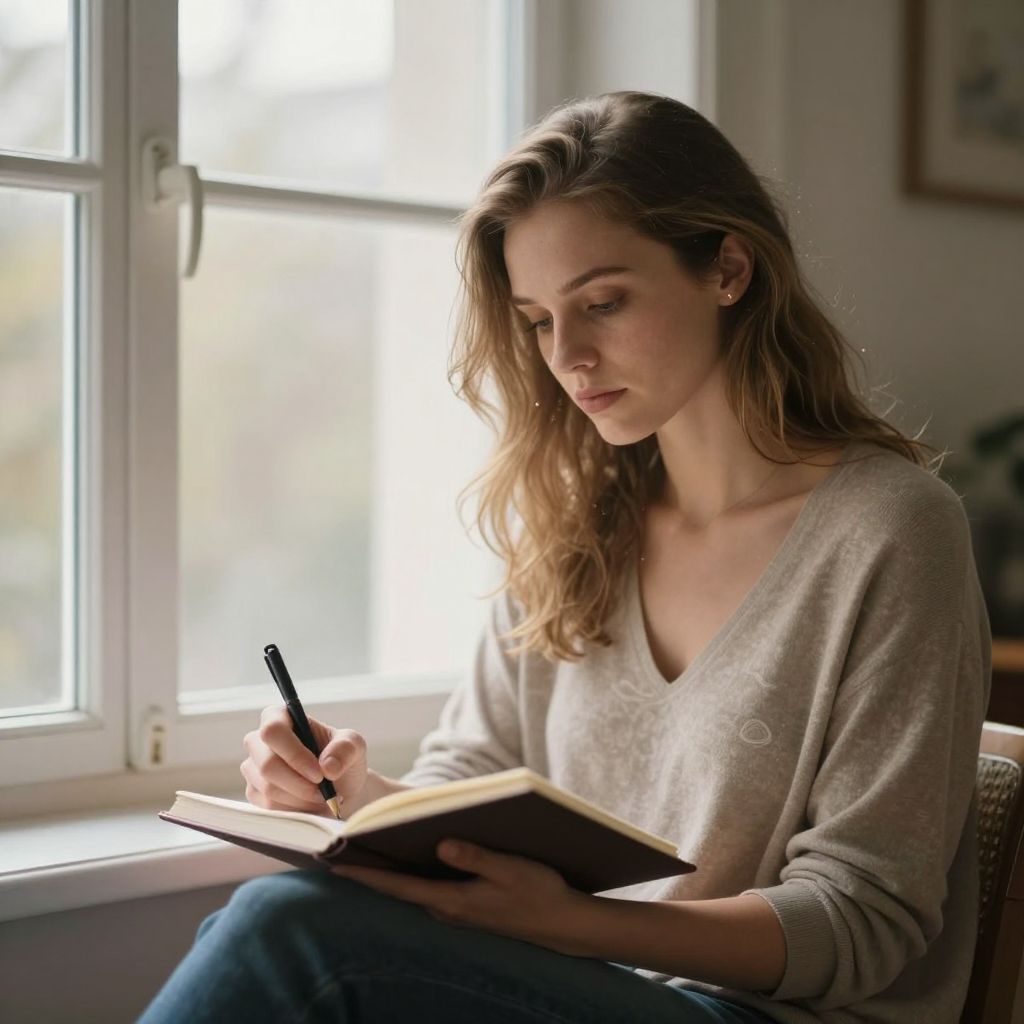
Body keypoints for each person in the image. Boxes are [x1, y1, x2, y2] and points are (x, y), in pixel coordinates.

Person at [138, 91, 991, 1024]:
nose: (570, 356)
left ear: (731, 269)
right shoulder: (581, 518)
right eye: (540, 319)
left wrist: (575, 925)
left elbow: (866, 919)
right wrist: (349, 794)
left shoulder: (893, 530)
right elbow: (472, 774)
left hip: (753, 1013)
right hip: (587, 985)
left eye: (604, 302)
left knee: (286, 932)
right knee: (291, 916)